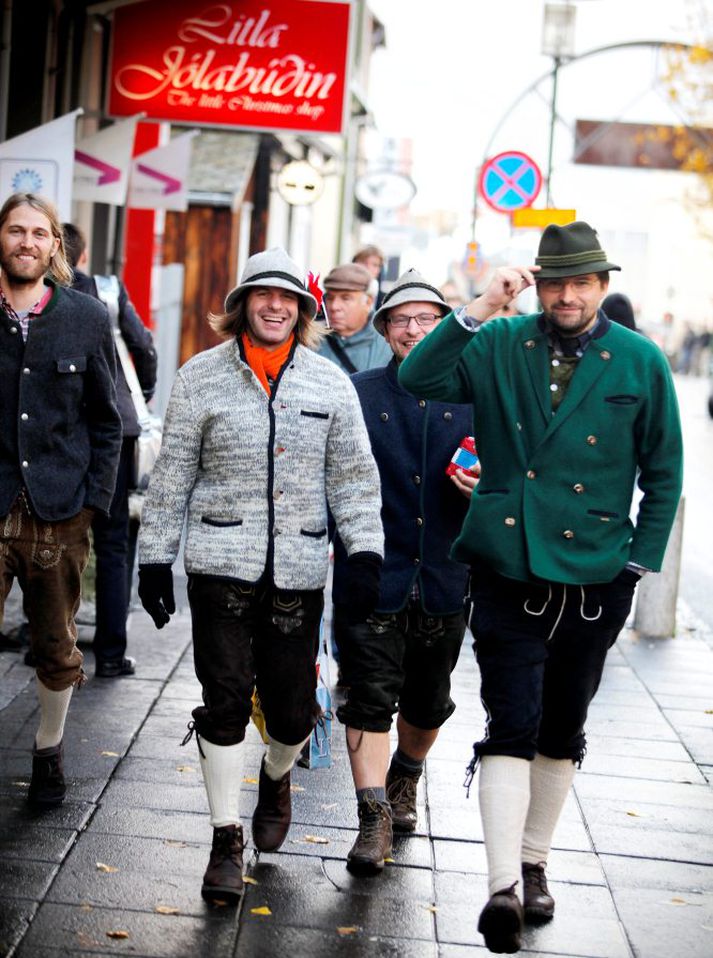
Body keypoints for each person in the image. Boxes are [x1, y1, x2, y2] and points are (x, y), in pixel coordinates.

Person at [398, 221, 683, 954]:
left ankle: (533, 864)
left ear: (601, 286)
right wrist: (474, 307)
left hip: (594, 576)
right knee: (510, 722)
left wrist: (635, 565)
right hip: (505, 565)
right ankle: (498, 887)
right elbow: (418, 379)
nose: (566, 294)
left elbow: (664, 473)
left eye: (581, 282)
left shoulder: (639, 361)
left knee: (561, 728)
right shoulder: (497, 341)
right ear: (537, 283)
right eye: (554, 281)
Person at [136, 248, 384, 905]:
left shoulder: (330, 385)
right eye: (261, 295)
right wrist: (153, 557)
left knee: (292, 714)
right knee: (222, 701)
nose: (274, 306)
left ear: (303, 311)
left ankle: (276, 775)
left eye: (288, 298)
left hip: (298, 572)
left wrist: (365, 552)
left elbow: (355, 479)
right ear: (242, 303)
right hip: (219, 569)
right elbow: (173, 474)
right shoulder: (199, 376)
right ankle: (224, 840)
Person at [332, 270, 476, 876]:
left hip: (446, 573)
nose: (413, 330)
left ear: (444, 327)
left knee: (428, 700)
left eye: (426, 320)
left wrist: (484, 488)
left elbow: (511, 474)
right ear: (384, 328)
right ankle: (372, 818)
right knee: (368, 695)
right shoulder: (358, 392)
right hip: (373, 571)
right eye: (401, 320)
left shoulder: (475, 394)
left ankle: (406, 776)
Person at [0, 193, 121, 808]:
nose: (26, 242)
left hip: (61, 509)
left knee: (54, 643)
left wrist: (93, 503)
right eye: (15, 230)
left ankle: (48, 749)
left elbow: (108, 419)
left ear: (54, 247)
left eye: (38, 233)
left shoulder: (87, 317)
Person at [63, 222, 157, 678]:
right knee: (115, 542)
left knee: (57, 538)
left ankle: (47, 645)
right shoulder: (108, 290)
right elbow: (145, 346)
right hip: (118, 426)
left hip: (63, 431)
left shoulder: (37, 294)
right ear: (83, 257)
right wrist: (143, 393)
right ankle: (112, 654)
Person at [316, 262, 392, 374]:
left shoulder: (389, 345)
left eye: (346, 298)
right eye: (330, 298)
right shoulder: (311, 338)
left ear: (368, 302)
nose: (334, 306)